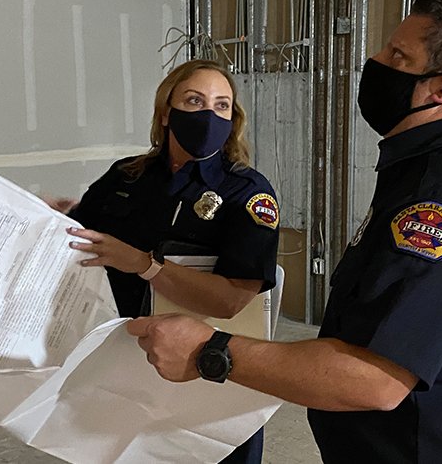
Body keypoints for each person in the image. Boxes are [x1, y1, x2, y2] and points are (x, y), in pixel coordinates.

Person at [126, 0, 442, 463]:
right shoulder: (437, 168)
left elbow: (376, 379)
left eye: (397, 56)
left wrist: (209, 349)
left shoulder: (440, 202)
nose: (375, 62)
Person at [62, 59, 280, 463]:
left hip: (205, 369)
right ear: (166, 112)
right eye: (194, 100)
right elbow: (79, 233)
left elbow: (232, 300)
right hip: (125, 361)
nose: (208, 114)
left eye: (221, 106)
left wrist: (144, 264)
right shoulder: (127, 176)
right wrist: (52, 216)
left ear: (233, 119)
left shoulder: (246, 194)